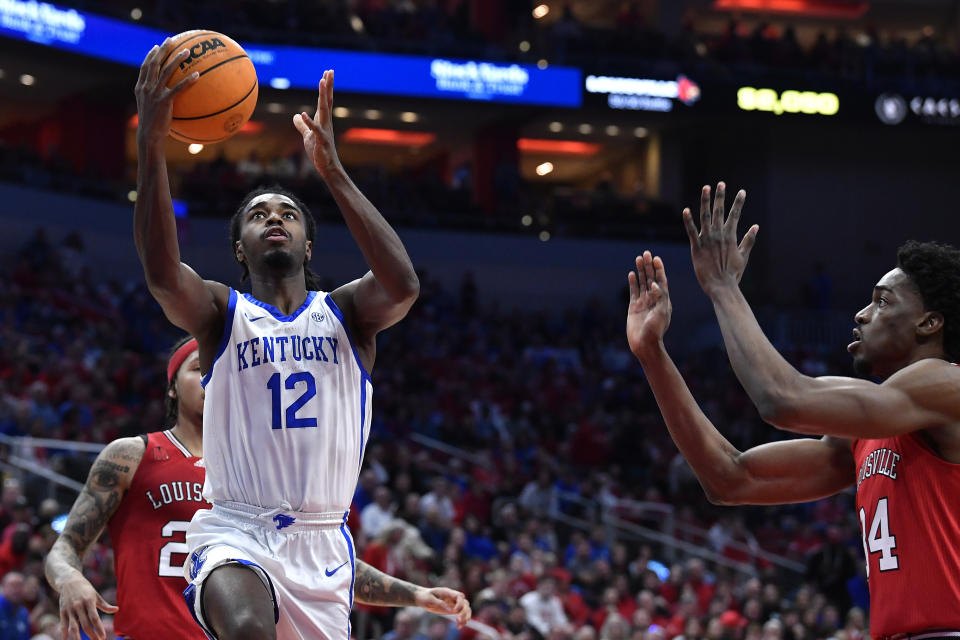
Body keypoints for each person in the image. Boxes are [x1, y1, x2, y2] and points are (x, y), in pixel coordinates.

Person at [135, 38, 422, 639]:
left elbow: (402, 285)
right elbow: (163, 274)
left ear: (307, 244)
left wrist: (334, 173)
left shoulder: (347, 314)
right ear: (240, 246)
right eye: (259, 213)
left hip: (322, 542)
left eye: (288, 213)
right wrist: (151, 143)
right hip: (234, 527)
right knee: (245, 629)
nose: (274, 218)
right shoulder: (221, 312)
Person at [626, 182, 960, 638]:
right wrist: (652, 354)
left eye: (883, 302)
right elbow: (731, 479)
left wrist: (724, 288)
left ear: (929, 322)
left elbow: (783, 399)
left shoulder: (949, 384)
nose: (862, 314)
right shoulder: (868, 426)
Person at [45, 338, 470, 640]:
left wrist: (415, 594)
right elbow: (63, 549)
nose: (212, 381)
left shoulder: (265, 468)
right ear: (172, 387)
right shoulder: (133, 454)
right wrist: (69, 578)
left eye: (219, 372)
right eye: (199, 370)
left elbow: (317, 562)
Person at [0, 572, 30, 640]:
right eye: (12, 585)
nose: (17, 590)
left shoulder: (24, 613)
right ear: (3, 587)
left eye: (20, 585)